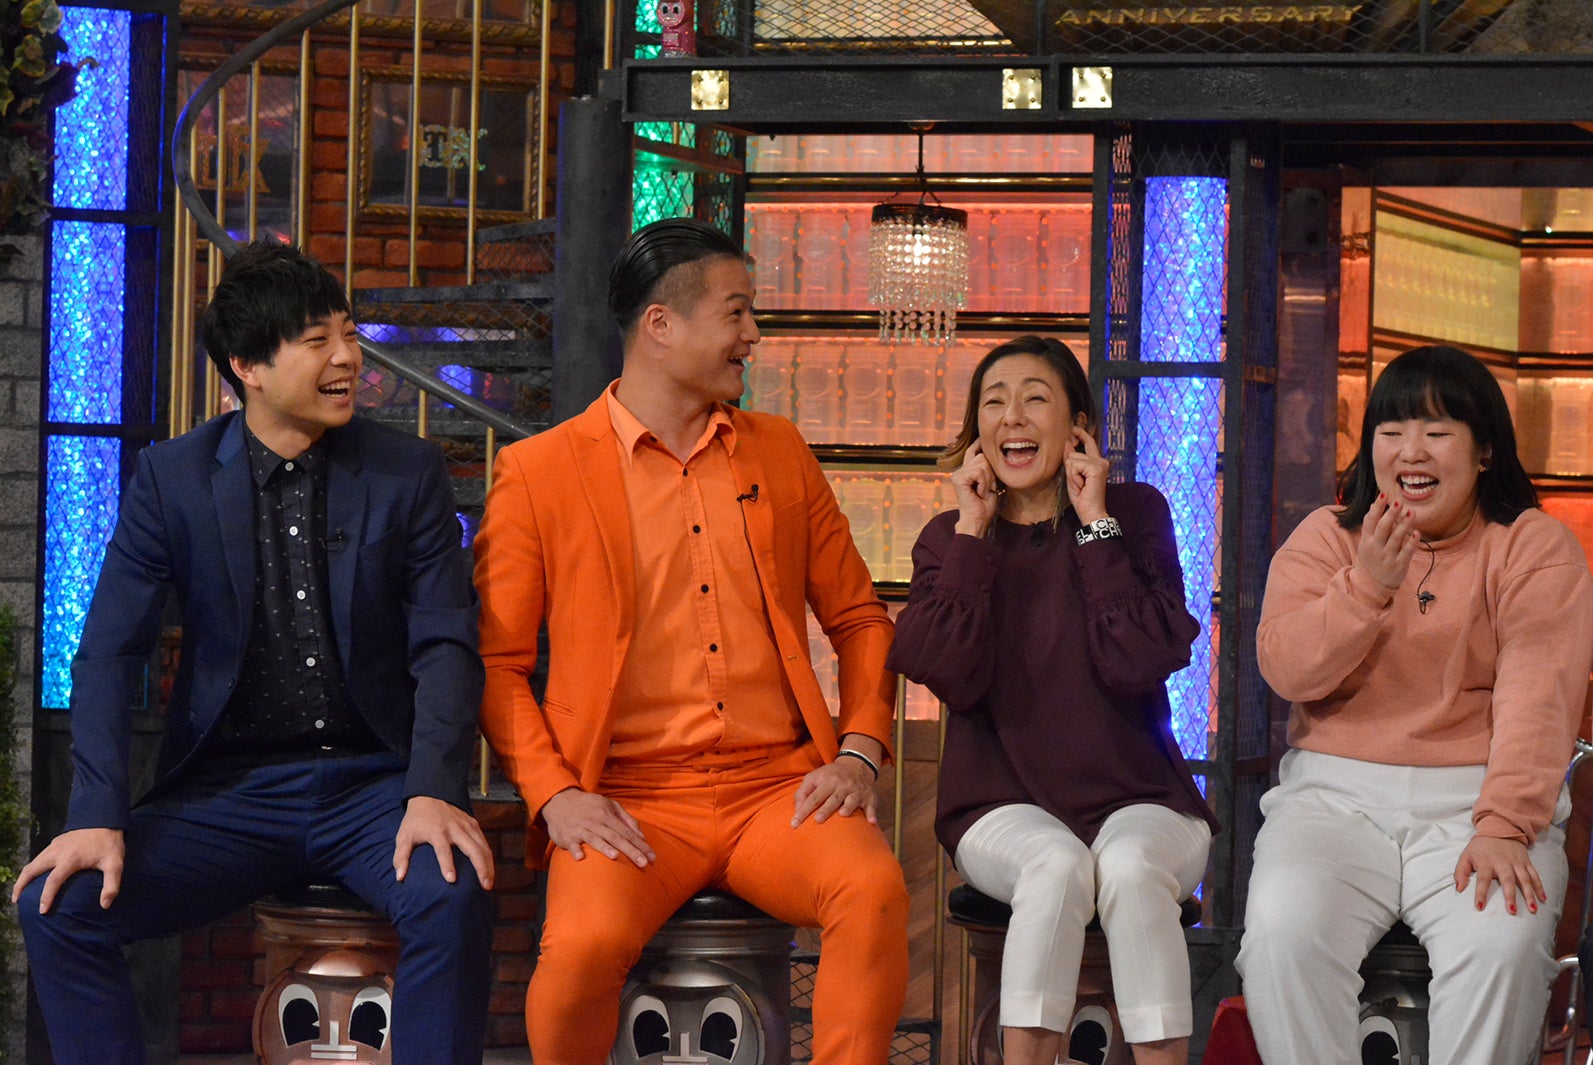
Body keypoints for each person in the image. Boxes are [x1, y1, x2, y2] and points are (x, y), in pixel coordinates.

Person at [13, 241, 495, 1065]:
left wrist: (431, 790)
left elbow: (445, 641)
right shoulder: (172, 478)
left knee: (451, 892)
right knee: (59, 906)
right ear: (248, 367)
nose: (348, 358)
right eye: (317, 341)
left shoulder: (405, 471)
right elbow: (107, 653)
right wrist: (95, 812)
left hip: (372, 786)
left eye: (348, 334)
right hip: (229, 792)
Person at [473, 217, 910, 1065]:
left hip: (776, 789)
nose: (754, 334)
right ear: (660, 325)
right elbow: (498, 665)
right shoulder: (539, 472)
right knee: (582, 948)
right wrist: (555, 793)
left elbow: (860, 618)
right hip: (627, 797)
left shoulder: (780, 452)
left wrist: (859, 749)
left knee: (873, 890)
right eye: (736, 312)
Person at [1237, 344, 1593, 1065]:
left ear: (1484, 450)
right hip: (1332, 800)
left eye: (1436, 431)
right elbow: (1287, 668)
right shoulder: (1325, 536)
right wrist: (1367, 584)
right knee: (1281, 933)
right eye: (1391, 430)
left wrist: (1504, 824)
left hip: (1479, 803)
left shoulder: (1533, 546)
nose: (1410, 451)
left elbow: (1539, 696)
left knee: (1502, 944)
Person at [888, 335, 1218, 1065]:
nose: (1012, 416)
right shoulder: (948, 540)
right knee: (1056, 864)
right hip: (997, 802)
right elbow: (945, 671)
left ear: (1077, 427)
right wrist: (974, 533)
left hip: (1143, 798)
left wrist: (1094, 521)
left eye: (1035, 398)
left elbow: (1141, 660)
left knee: (1129, 867)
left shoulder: (1134, 512)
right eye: (994, 402)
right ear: (976, 430)